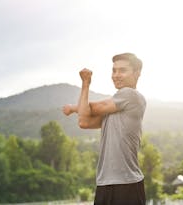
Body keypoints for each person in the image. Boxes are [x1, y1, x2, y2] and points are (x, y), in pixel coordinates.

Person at [62, 53, 146, 204]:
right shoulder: (113, 108)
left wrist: (86, 83)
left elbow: (90, 109)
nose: (116, 75)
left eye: (122, 70)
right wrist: (78, 107)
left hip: (127, 185)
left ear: (137, 73)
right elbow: (84, 121)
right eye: (114, 71)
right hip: (104, 182)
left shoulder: (131, 95)